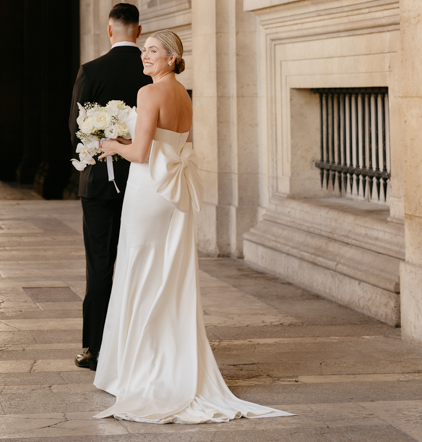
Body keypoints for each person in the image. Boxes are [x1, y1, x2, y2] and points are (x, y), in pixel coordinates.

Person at [94, 30, 293, 424]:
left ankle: (137, 368)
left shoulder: (148, 94)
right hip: (173, 195)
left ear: (171, 58)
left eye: (152, 51)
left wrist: (113, 146)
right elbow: (169, 142)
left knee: (139, 270)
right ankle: (166, 361)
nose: (145, 57)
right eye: (144, 51)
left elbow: (142, 152)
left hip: (150, 189)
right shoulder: (182, 93)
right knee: (167, 274)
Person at [68, 3, 152, 372]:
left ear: (110, 30)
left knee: (100, 265)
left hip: (100, 184)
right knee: (143, 262)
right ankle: (141, 344)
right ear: (138, 30)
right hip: (146, 181)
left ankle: (96, 349)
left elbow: (76, 131)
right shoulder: (153, 72)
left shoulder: (91, 71)